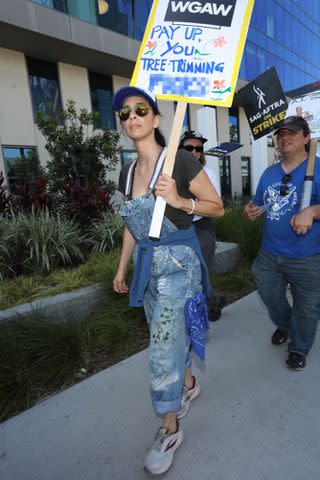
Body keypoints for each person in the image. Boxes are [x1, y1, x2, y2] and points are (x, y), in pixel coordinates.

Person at [112, 85, 224, 475]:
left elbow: (217, 207)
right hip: (147, 267)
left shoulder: (178, 161)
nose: (132, 116)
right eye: (124, 112)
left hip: (179, 264)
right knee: (170, 334)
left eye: (140, 108)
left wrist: (179, 201)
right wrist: (122, 268)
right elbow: (131, 226)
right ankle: (190, 383)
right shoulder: (127, 172)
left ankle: (169, 427)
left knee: (162, 349)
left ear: (156, 119)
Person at [243, 116, 320, 371]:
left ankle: (299, 346)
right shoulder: (270, 172)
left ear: (307, 138)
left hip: (306, 255)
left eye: (293, 133)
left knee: (307, 307)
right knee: (268, 294)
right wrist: (251, 210)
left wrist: (311, 212)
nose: (285, 137)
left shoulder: (317, 168)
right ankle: (287, 325)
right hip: (270, 253)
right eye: (281, 134)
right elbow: (259, 203)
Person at [179, 130, 226, 321]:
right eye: (189, 147)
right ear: (180, 149)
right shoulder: (172, 172)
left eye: (198, 148)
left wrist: (186, 204)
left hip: (201, 227)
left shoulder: (208, 174)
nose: (194, 151)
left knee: (201, 273)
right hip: (178, 229)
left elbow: (215, 206)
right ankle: (213, 299)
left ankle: (210, 305)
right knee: (185, 275)